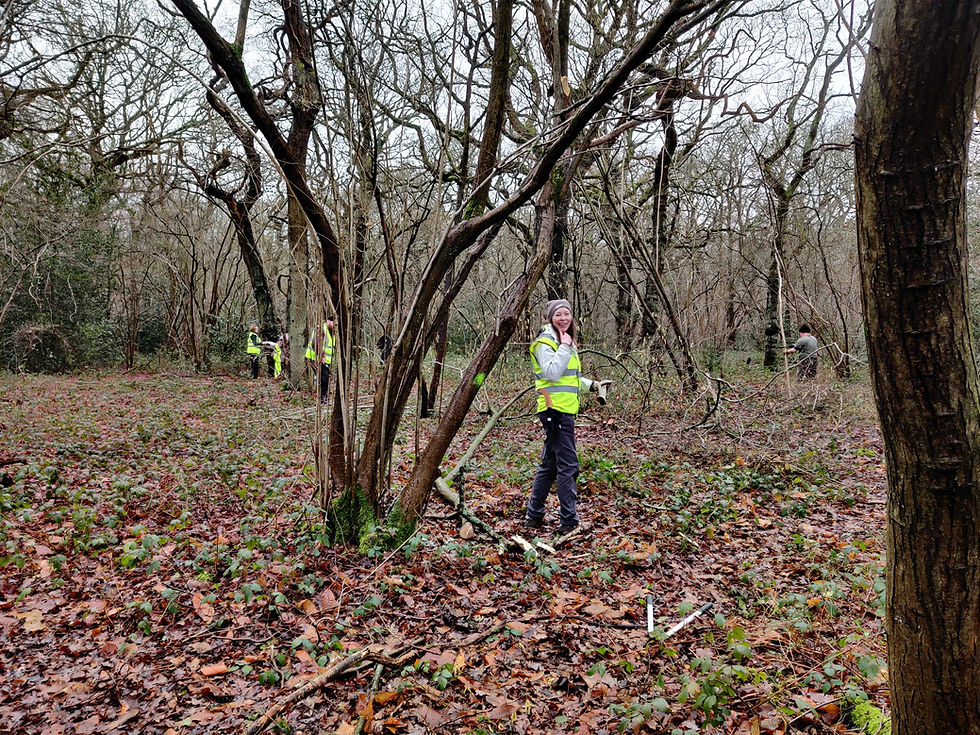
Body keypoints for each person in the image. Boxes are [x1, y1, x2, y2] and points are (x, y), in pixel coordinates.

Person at [525, 299, 610, 536]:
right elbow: (551, 374)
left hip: (563, 410)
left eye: (567, 314)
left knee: (549, 466)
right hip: (555, 410)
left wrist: (593, 385)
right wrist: (564, 346)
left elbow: (567, 377)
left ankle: (534, 515)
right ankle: (569, 522)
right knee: (568, 465)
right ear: (549, 318)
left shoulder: (563, 341)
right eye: (558, 315)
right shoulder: (546, 342)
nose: (564, 318)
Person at [305, 319, 335, 400]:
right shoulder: (321, 329)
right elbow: (315, 343)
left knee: (325, 378)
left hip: (323, 360)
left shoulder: (331, 332)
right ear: (329, 321)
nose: (335, 326)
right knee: (323, 378)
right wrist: (322, 356)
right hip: (316, 359)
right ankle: (322, 398)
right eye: (334, 323)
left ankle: (324, 397)